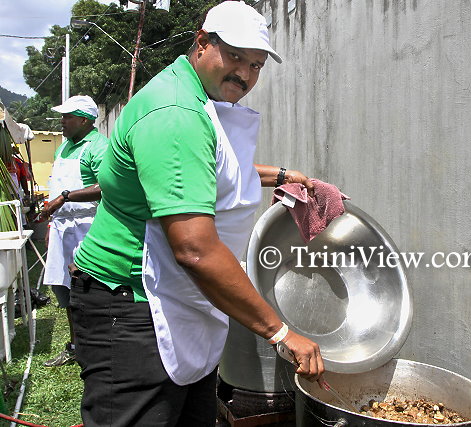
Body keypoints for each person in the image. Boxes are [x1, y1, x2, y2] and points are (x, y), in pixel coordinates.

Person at [70, 2, 324, 426]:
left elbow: (213, 167)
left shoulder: (192, 94)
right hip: (131, 301)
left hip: (174, 296)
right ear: (202, 42)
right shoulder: (176, 114)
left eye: (256, 65)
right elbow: (195, 250)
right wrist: (280, 332)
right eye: (235, 56)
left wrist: (282, 175)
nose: (245, 74)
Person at [39, 95, 107, 367]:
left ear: (85, 120)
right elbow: (55, 186)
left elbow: (106, 186)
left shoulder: (99, 147)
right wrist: (51, 224)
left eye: (68, 117)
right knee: (65, 290)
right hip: (61, 227)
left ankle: (97, 346)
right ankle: (76, 345)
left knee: (90, 288)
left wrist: (65, 197)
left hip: (86, 227)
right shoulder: (64, 147)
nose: (62, 121)